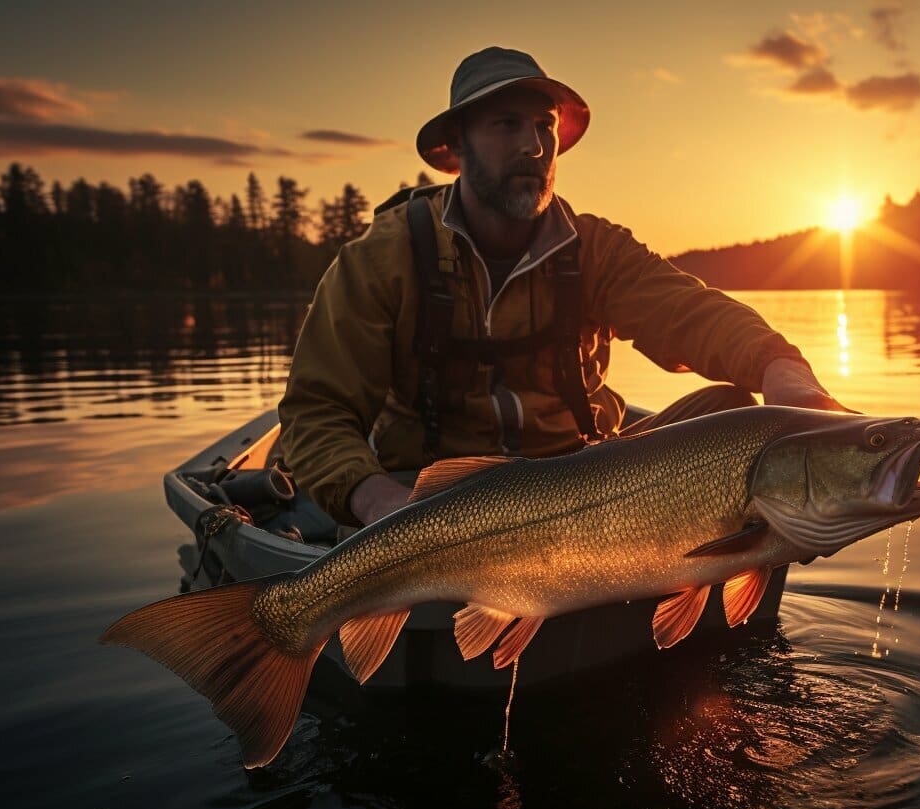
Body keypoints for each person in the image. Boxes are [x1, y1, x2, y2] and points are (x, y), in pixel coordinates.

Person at [278, 46, 848, 528]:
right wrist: (379, 502)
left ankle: (698, 561)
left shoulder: (595, 249)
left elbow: (692, 314)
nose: (535, 145)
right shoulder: (383, 256)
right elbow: (317, 411)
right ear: (457, 146)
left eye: (544, 125)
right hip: (428, 499)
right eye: (507, 125)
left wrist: (784, 371)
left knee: (730, 409)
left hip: (581, 488)